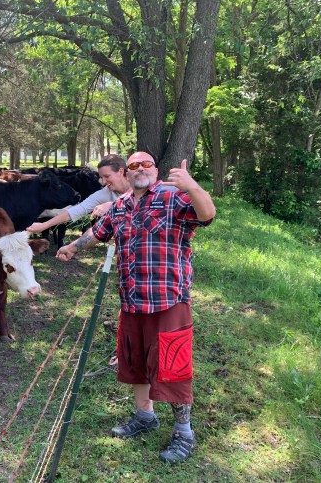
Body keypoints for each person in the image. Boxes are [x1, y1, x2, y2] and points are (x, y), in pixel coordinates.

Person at [56, 151, 215, 463]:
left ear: (154, 169)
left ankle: (184, 432)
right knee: (135, 361)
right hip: (132, 301)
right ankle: (145, 417)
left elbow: (207, 214)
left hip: (168, 301)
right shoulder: (121, 205)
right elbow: (98, 232)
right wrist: (72, 247)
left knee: (173, 366)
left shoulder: (172, 196)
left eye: (146, 164)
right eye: (134, 165)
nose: (141, 168)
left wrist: (192, 186)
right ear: (126, 173)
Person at [26, 154, 131, 235]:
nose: (103, 182)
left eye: (107, 176)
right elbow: (77, 210)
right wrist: (43, 225)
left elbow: (140, 203)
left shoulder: (138, 185)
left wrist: (114, 205)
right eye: (101, 177)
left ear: (121, 172)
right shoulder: (106, 192)